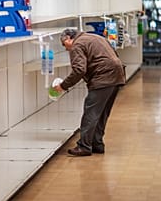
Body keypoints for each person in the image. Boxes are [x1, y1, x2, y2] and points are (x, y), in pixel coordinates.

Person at [53, 28, 126, 156]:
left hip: (103, 78)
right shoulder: (94, 37)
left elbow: (79, 70)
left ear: (69, 38)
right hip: (117, 74)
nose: (66, 49)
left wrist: (63, 86)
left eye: (64, 45)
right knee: (102, 113)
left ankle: (84, 146)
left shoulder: (77, 45)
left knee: (90, 113)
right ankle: (96, 144)